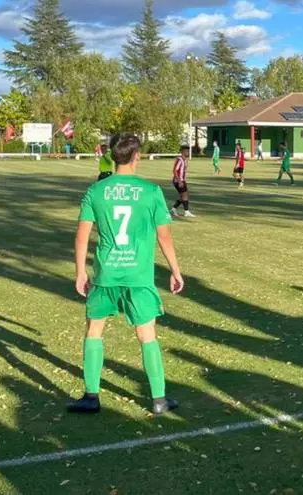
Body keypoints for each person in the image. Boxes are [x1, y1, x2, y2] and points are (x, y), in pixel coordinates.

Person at [69, 134, 184, 415]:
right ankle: (158, 399)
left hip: (106, 274)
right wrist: (175, 271)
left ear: (112, 156)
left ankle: (91, 396)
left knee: (94, 331)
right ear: (136, 157)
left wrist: (81, 271)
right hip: (138, 276)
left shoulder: (96, 191)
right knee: (147, 335)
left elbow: (82, 235)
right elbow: (164, 237)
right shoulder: (150, 191)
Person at [171, 146, 195, 217]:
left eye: (188, 151)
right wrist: (179, 181)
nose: (188, 152)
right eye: (186, 151)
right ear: (182, 152)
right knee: (185, 195)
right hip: (179, 180)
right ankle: (186, 212)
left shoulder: (184, 160)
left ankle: (174, 209)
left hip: (182, 180)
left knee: (183, 196)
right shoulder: (179, 160)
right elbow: (175, 170)